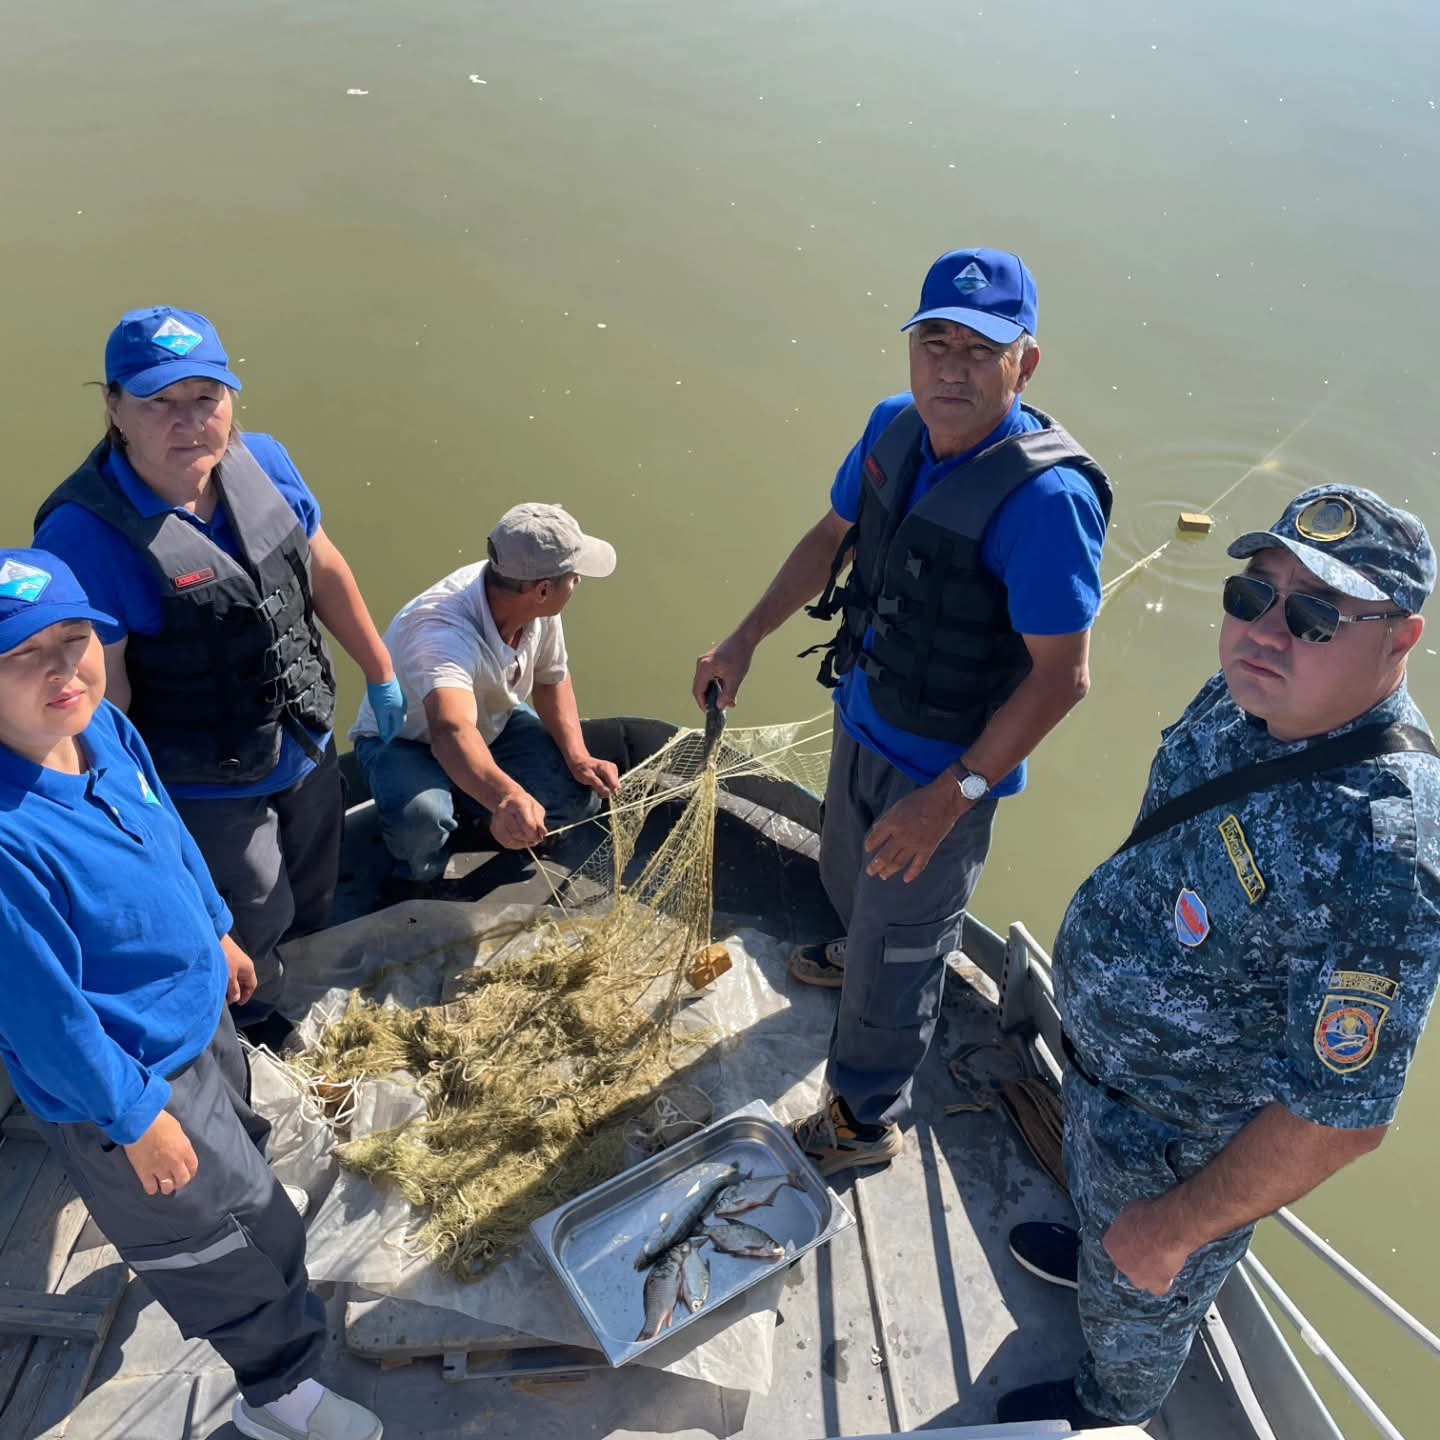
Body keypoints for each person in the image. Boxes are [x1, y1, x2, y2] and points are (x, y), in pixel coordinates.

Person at [997, 486, 1440, 1429]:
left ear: (1400, 640)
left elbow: (1339, 1120)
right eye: (1253, 595)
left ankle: (1107, 1403)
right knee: (1107, 1239)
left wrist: (1174, 1228)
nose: (1266, 632)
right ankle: (1101, 1245)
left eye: (1316, 616)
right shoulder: (1245, 700)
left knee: (1139, 1308)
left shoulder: (1384, 856)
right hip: (1101, 1086)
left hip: (1177, 1153)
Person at [692, 248, 1112, 1175]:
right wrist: (745, 637)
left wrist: (951, 796)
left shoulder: (1048, 503)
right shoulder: (893, 427)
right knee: (847, 876)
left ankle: (862, 1120)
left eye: (981, 349)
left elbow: (1062, 679)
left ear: (1026, 365)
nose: (952, 369)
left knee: (902, 956)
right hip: (864, 717)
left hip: (947, 773)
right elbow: (829, 537)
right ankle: (861, 942)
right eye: (936, 343)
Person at [0, 548, 381, 1440]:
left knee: (241, 1162)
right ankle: (278, 1394)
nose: (63, 669)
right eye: (23, 656)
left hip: (199, 1019)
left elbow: (166, 830)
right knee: (217, 1244)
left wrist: (215, 926)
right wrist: (136, 1119)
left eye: (74, 637)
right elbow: (46, 1021)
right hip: (127, 1079)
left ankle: (242, 1213)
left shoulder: (101, 727)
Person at [34, 306, 405, 1034]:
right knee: (255, 907)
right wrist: (136, 823)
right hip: (204, 778)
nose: (189, 422)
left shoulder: (265, 461)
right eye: (158, 402)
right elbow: (101, 705)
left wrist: (381, 671)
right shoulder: (84, 536)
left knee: (315, 880)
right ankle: (256, 1019)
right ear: (114, 406)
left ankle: (304, 964)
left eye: (206, 397)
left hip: (303, 735)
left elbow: (325, 569)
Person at [351, 502, 621, 890]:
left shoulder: (536, 604)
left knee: (575, 797)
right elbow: (451, 731)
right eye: (573, 576)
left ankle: (473, 807)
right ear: (544, 589)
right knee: (422, 824)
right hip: (406, 739)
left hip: (494, 721)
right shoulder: (440, 633)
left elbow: (551, 680)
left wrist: (578, 756)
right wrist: (506, 798)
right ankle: (421, 873)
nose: (578, 582)